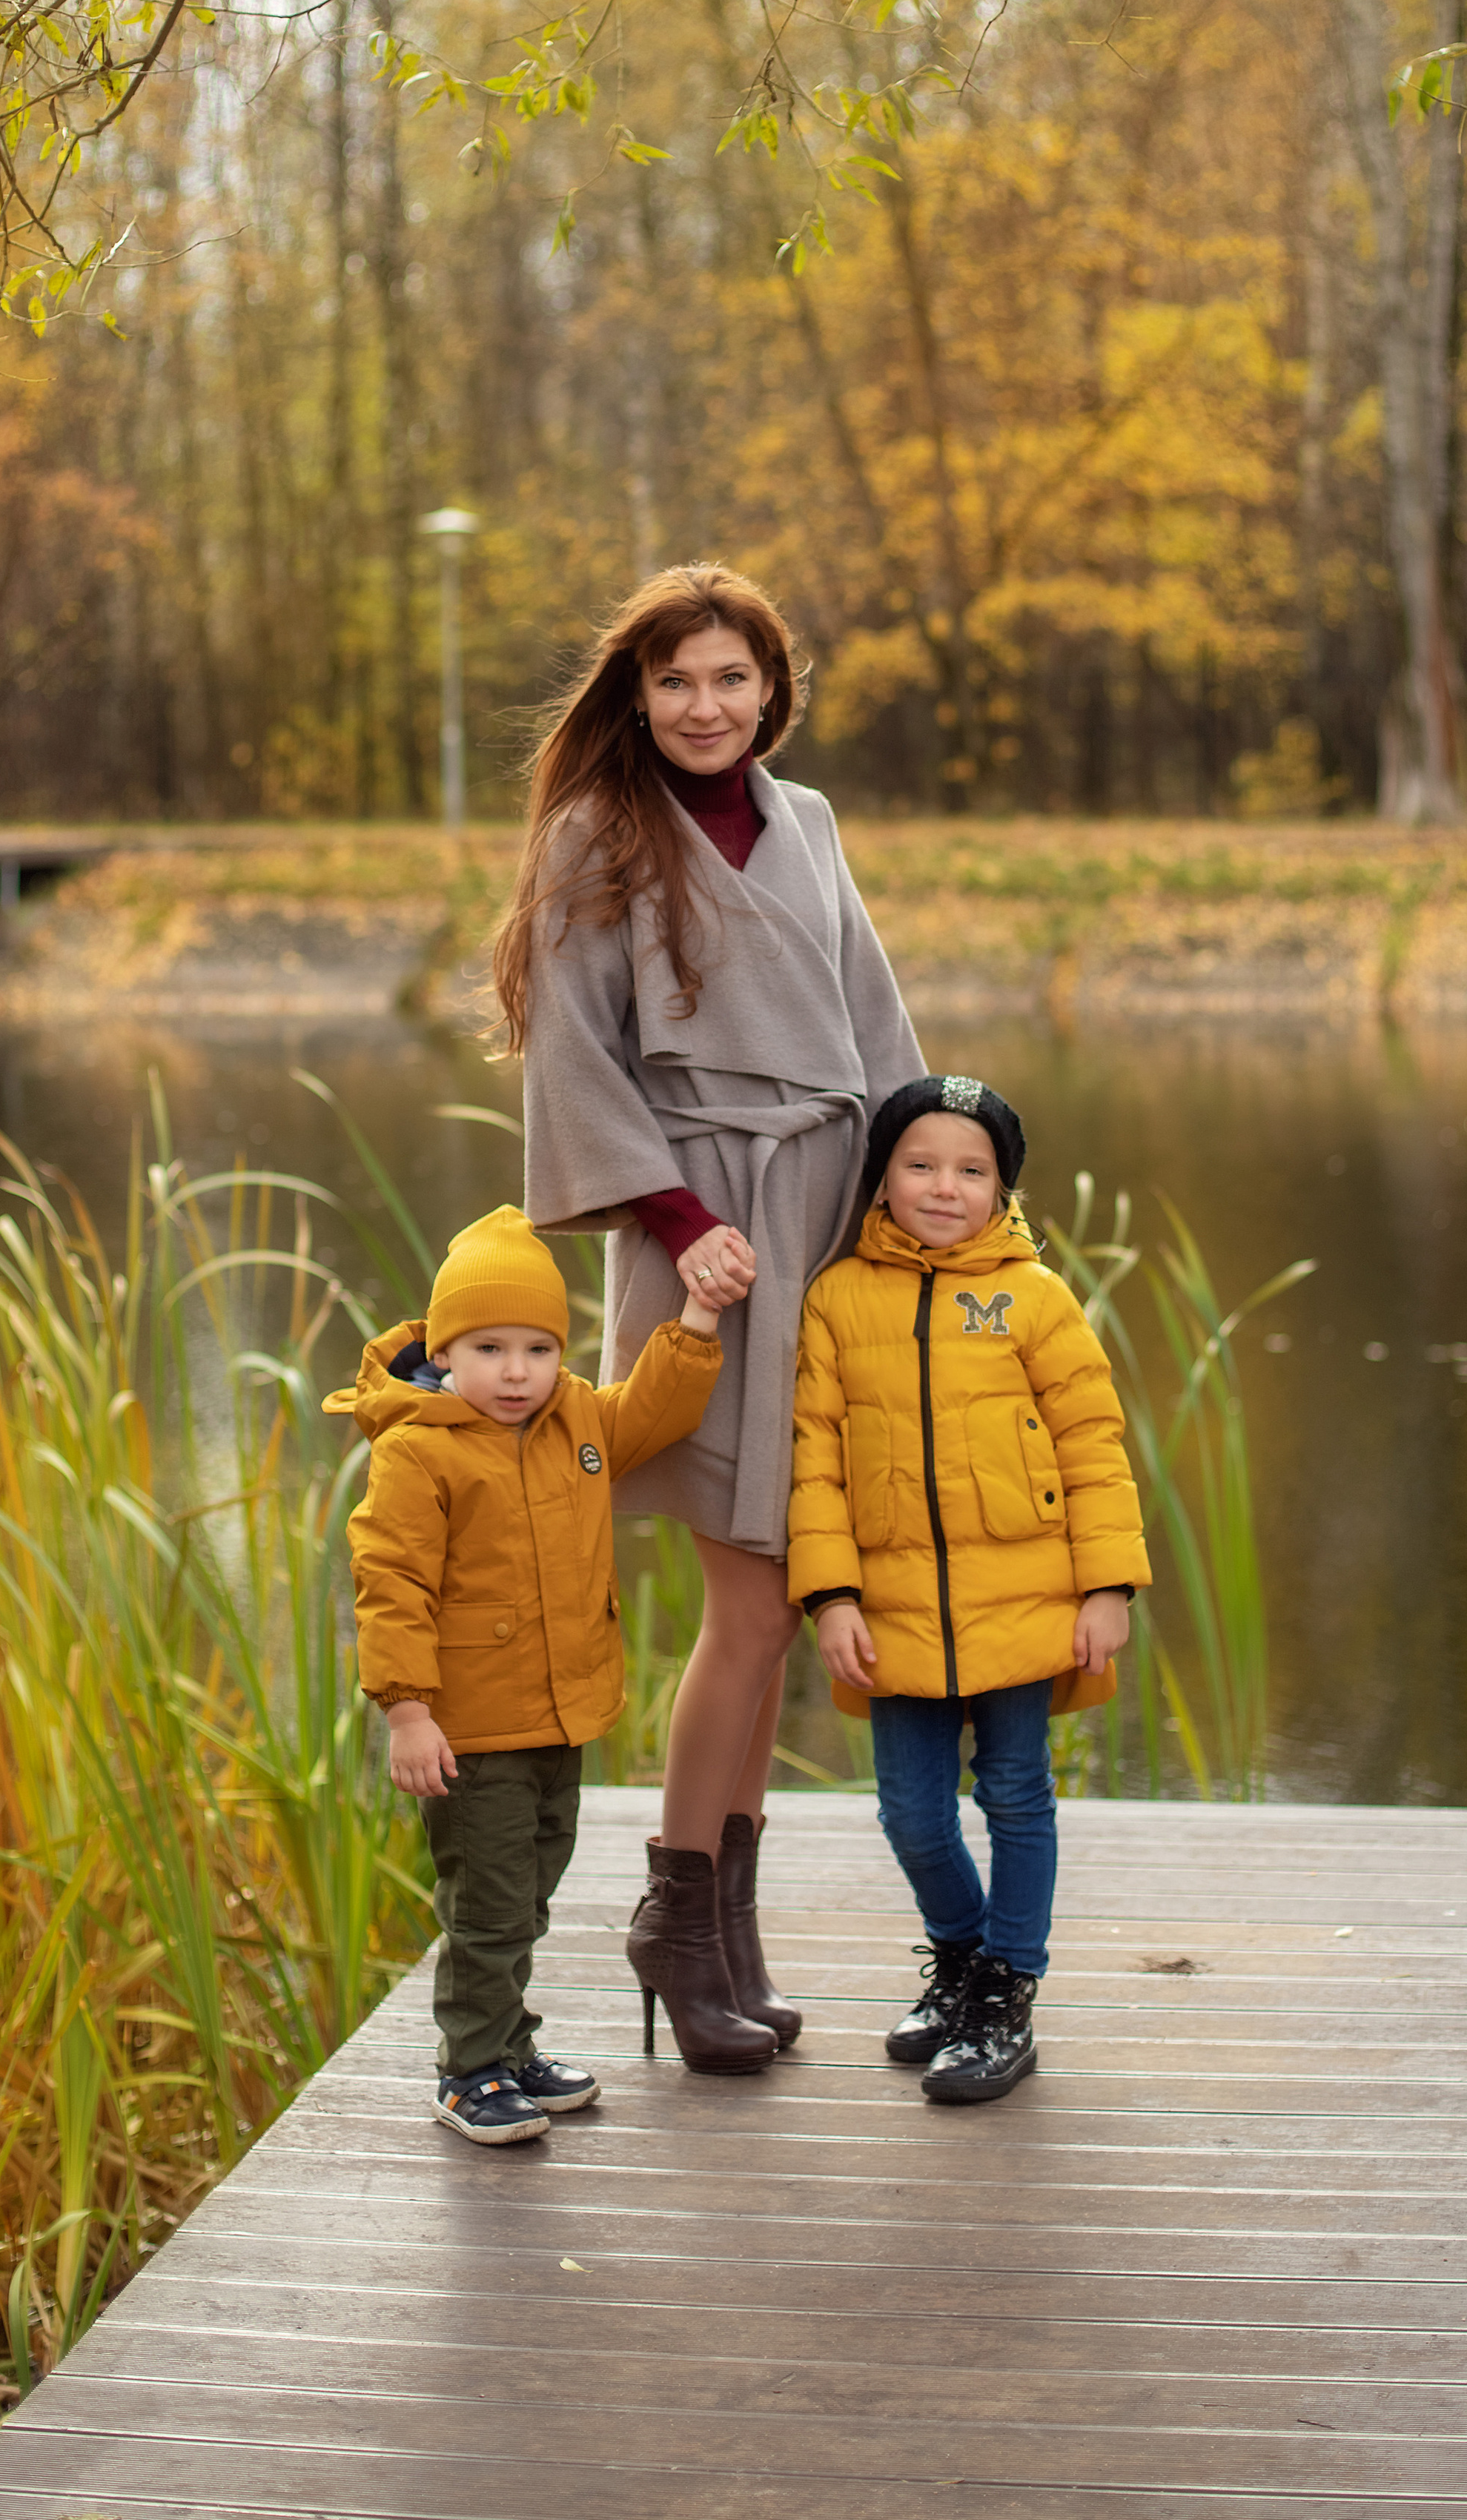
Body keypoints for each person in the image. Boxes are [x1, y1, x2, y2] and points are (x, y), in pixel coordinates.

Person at [491, 563, 923, 2073]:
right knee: (748, 1609)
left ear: (770, 691)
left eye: (729, 679)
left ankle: (726, 1938)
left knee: (790, 1603)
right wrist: (684, 1234)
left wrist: (906, 1205)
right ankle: (676, 1927)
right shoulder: (594, 839)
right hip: (708, 1243)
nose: (702, 706)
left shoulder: (803, 825)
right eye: (675, 680)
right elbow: (573, 1064)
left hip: (823, 1222)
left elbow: (873, 1028)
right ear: (637, 693)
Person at [789, 1075, 1151, 2105]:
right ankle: (962, 1961)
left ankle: (1008, 1994)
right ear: (883, 1177)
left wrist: (1109, 1584)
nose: (944, 1187)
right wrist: (833, 1597)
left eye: (971, 1170)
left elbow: (1093, 1442)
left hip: (1029, 1601)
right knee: (910, 1814)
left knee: (1016, 1795)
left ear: (1001, 1188)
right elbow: (814, 1463)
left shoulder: (1034, 1298)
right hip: (894, 1613)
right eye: (921, 1165)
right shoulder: (838, 1300)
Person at [326, 1203, 723, 2142]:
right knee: (489, 1904)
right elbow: (392, 1585)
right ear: (447, 1354)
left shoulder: (576, 1423)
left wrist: (699, 1321)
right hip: (471, 1730)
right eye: (491, 1348)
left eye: (538, 1349)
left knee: (530, 1889)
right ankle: (467, 2069)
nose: (516, 1373)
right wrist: (409, 1712)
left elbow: (653, 1410)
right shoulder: (419, 1451)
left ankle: (510, 2045)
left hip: (559, 1714)